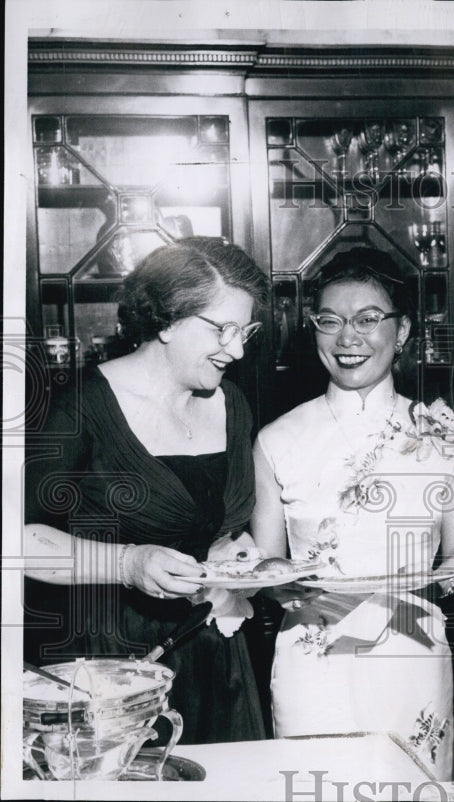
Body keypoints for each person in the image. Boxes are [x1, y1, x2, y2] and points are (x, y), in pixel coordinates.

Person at [24, 237, 271, 744]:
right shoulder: (81, 408)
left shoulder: (235, 404)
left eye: (245, 330)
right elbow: (14, 540)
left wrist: (233, 552)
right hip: (114, 668)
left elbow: (211, 527)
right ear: (165, 319)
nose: (238, 349)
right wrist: (127, 563)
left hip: (217, 653)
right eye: (222, 329)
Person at [251, 247, 454, 780]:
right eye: (329, 321)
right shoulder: (276, 439)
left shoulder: (445, 436)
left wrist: (422, 586)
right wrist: (275, 582)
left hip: (411, 646)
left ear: (402, 333)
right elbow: (265, 561)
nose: (347, 338)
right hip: (312, 654)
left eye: (369, 320)